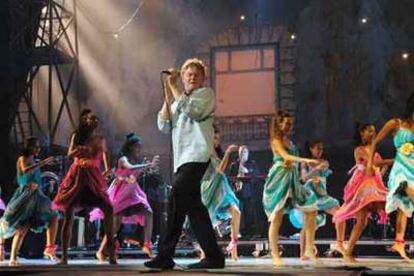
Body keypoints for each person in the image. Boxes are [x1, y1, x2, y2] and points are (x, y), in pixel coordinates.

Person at [145, 58, 224, 270]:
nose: (192, 77)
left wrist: (174, 87)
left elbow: (195, 112)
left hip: (197, 155)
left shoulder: (206, 95)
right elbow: (163, 124)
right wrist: (168, 93)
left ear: (203, 78)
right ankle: (214, 256)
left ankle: (165, 254)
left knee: (175, 199)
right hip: (182, 160)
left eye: (196, 74)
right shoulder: (177, 101)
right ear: (182, 77)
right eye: (188, 74)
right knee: (194, 208)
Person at [53, 109, 116, 265]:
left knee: (108, 208)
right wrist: (80, 149)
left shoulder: (99, 139)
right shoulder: (78, 136)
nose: (93, 124)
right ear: (85, 123)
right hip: (78, 176)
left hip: (94, 177)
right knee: (69, 213)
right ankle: (65, 256)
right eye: (90, 121)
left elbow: (105, 153)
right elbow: (69, 154)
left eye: (95, 122)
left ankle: (112, 254)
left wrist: (107, 168)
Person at [262, 111, 319, 266]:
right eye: (286, 123)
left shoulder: (289, 141)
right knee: (277, 217)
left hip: (292, 178)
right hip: (279, 178)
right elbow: (286, 157)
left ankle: (308, 248)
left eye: (290, 124)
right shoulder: (276, 140)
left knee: (311, 209)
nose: (289, 126)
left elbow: (291, 160)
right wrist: (305, 159)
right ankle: (275, 254)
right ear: (279, 124)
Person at [90, 132, 157, 260]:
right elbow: (130, 168)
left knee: (148, 212)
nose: (139, 149)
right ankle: (101, 250)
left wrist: (146, 169)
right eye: (137, 146)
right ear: (131, 147)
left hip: (132, 193)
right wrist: (147, 165)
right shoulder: (123, 159)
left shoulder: (135, 160)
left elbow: (131, 178)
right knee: (115, 225)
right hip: (120, 194)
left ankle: (147, 244)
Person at [333, 123, 391, 263]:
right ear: (362, 133)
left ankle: (398, 241)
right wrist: (392, 161)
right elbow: (372, 165)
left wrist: (382, 170)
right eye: (369, 131)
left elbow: (377, 169)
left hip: (373, 186)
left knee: (384, 208)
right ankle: (347, 253)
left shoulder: (374, 151)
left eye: (374, 131)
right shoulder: (359, 150)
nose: (373, 133)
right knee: (361, 222)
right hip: (362, 187)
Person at [367, 93, 414, 261]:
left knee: (404, 208)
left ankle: (399, 243)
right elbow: (375, 142)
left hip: (413, 169)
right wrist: (369, 164)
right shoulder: (396, 124)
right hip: (401, 170)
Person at [0, 137, 59, 265]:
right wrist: (43, 163)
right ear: (29, 147)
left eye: (38, 147)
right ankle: (12, 258)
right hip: (25, 196)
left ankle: (49, 247)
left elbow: (36, 178)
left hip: (36, 196)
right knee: (21, 228)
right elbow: (26, 170)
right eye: (35, 146)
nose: (38, 149)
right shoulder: (22, 159)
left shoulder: (34, 160)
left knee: (54, 215)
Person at [289, 139, 345, 259]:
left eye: (322, 148)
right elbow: (304, 178)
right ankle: (303, 253)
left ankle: (340, 243)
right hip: (310, 196)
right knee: (307, 225)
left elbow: (322, 176)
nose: (320, 151)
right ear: (311, 149)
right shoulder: (305, 162)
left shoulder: (324, 162)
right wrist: (316, 168)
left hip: (322, 195)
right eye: (318, 148)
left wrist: (320, 167)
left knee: (340, 214)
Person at [201, 144, 241, 260]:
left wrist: (226, 154)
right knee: (206, 221)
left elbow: (221, 171)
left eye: (218, 138)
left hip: (223, 187)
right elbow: (219, 170)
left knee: (236, 212)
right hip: (210, 188)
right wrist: (228, 153)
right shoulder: (203, 154)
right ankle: (204, 252)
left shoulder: (218, 154)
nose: (217, 141)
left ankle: (234, 247)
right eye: (215, 138)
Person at [229, 145, 259, 238]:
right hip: (237, 193)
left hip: (249, 192)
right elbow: (230, 178)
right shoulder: (234, 165)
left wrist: (247, 172)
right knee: (238, 214)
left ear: (248, 153)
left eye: (245, 152)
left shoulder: (252, 164)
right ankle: (238, 233)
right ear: (238, 153)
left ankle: (250, 233)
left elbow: (256, 176)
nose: (243, 154)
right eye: (241, 152)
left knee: (249, 214)